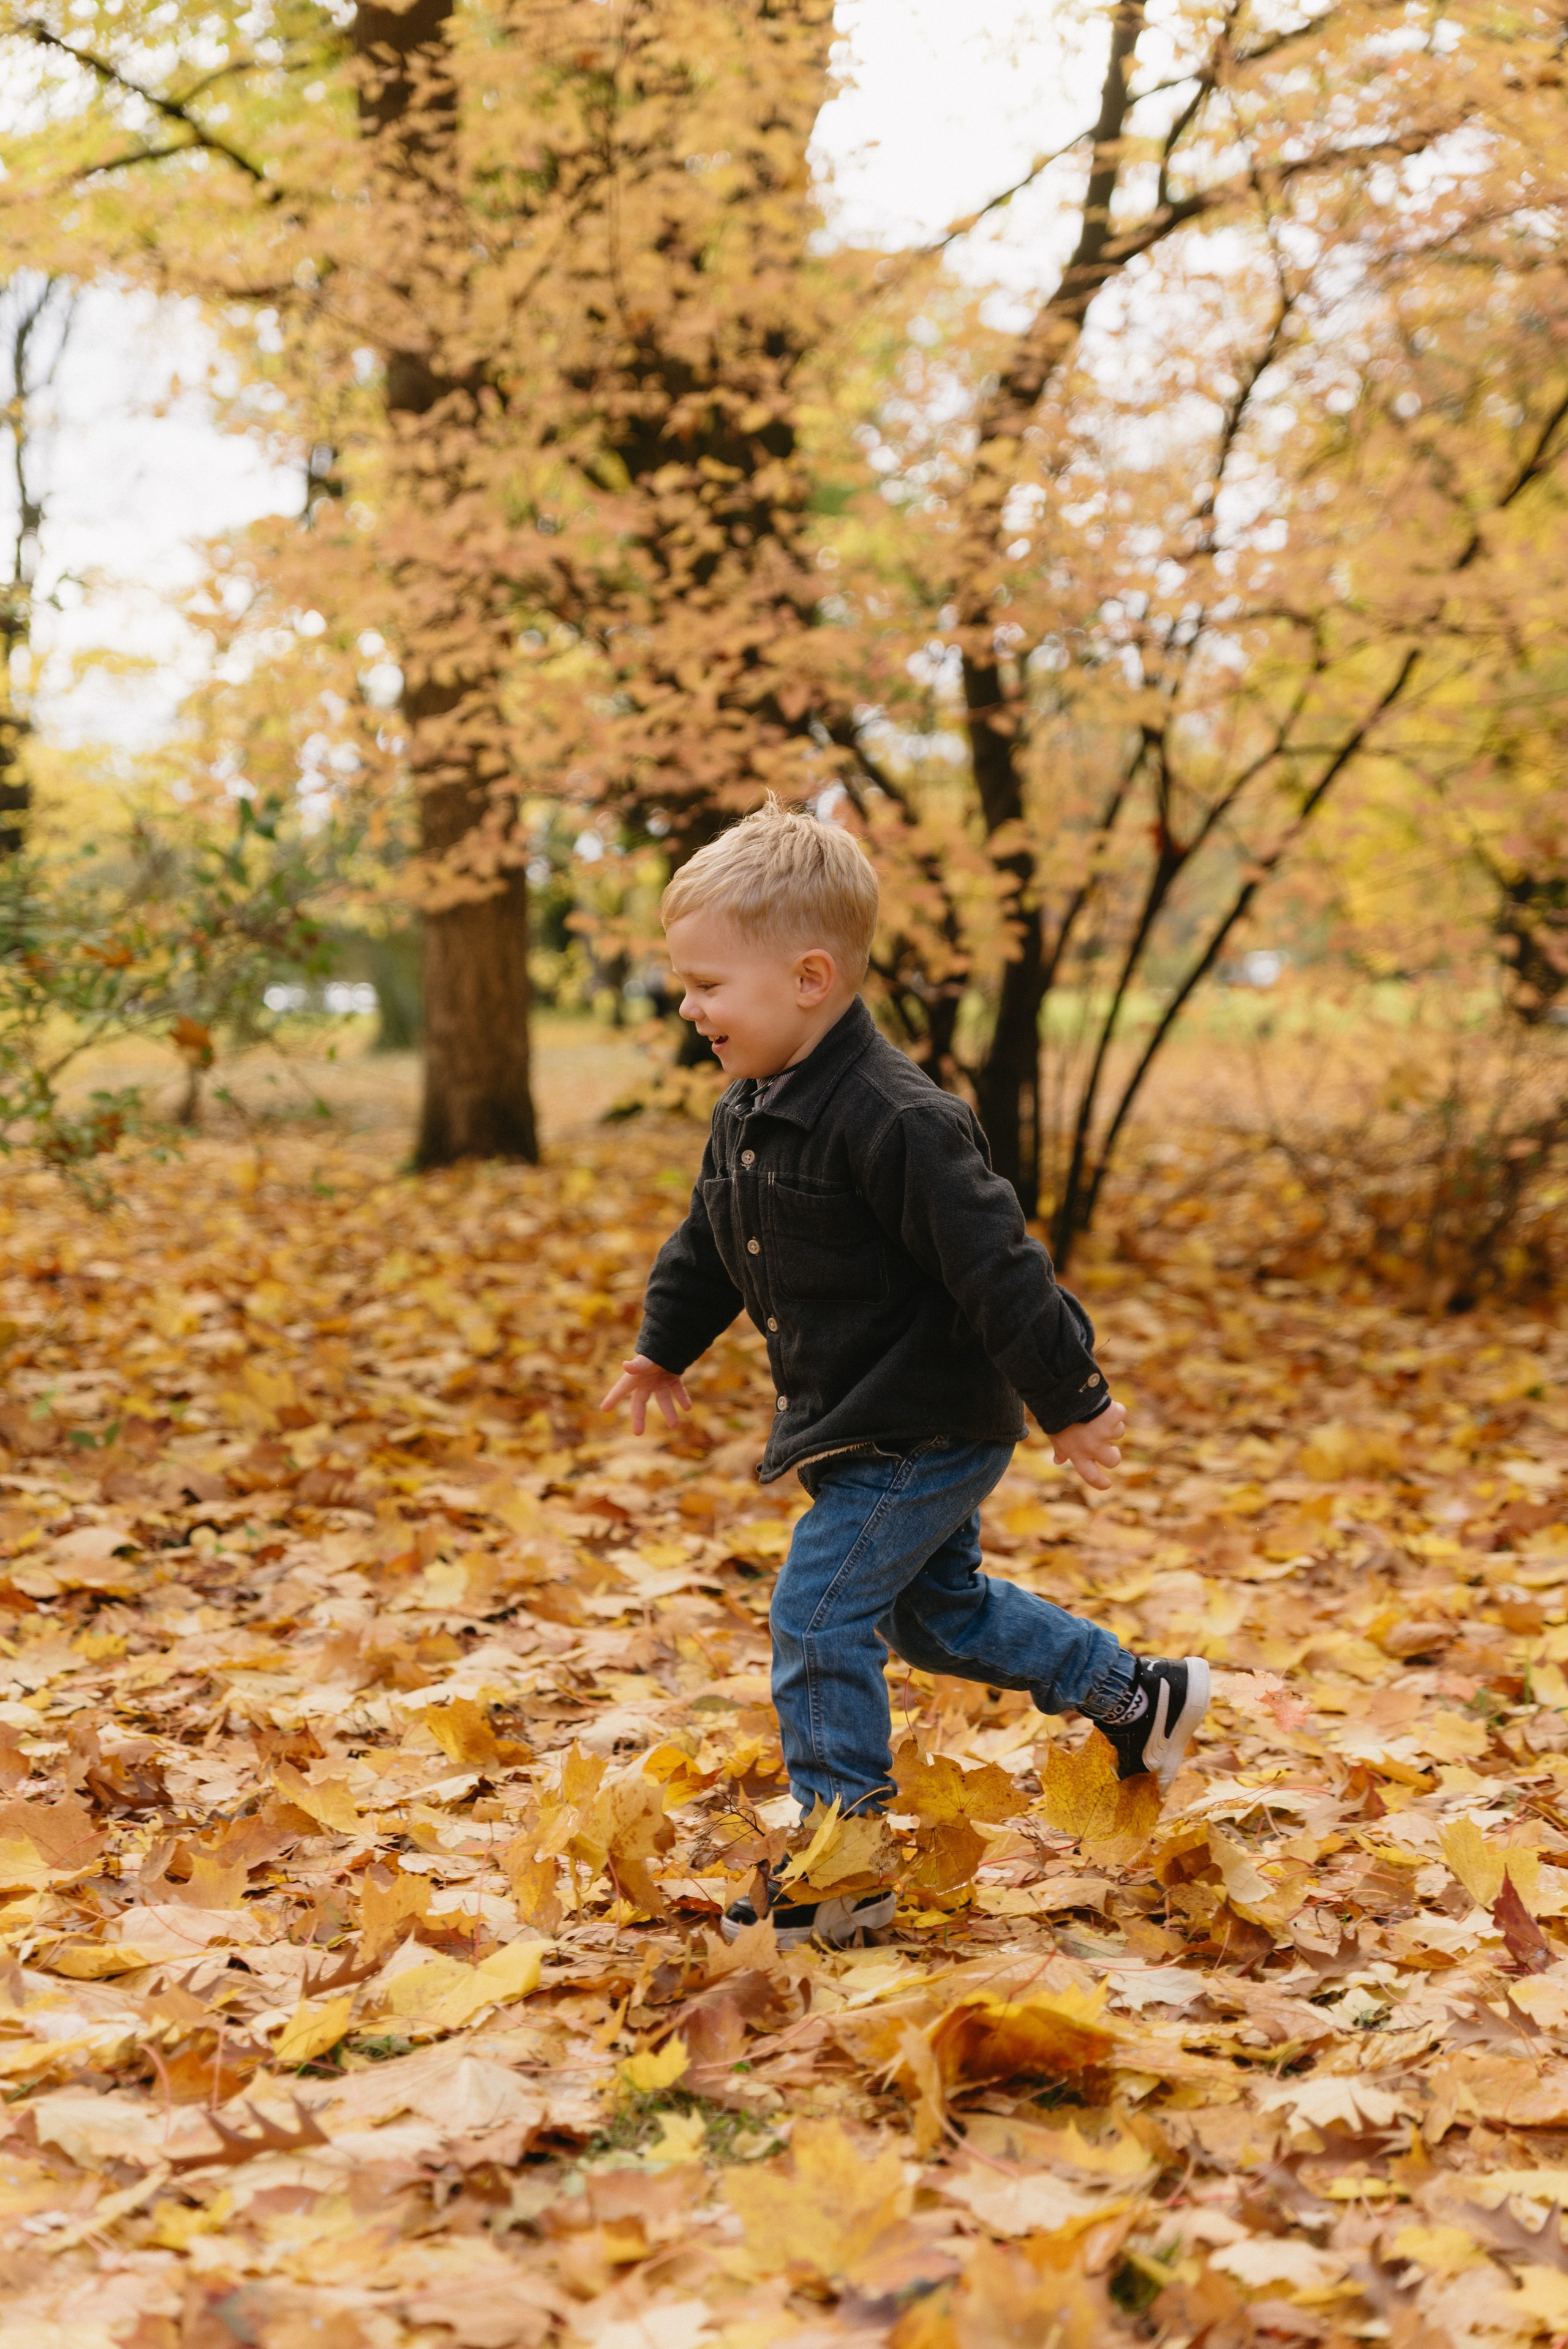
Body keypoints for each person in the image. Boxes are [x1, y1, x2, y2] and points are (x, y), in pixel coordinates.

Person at [601, 798, 1208, 1948]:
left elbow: (1000, 1268)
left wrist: (1071, 1400)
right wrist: (663, 1345)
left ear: (811, 977)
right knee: (939, 1619)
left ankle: (848, 1864)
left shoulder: (900, 1119)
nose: (689, 1008)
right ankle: (1139, 1695)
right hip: (857, 1419)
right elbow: (711, 1239)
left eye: (708, 985)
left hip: (927, 1422)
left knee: (817, 1617)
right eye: (685, 984)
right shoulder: (750, 1111)